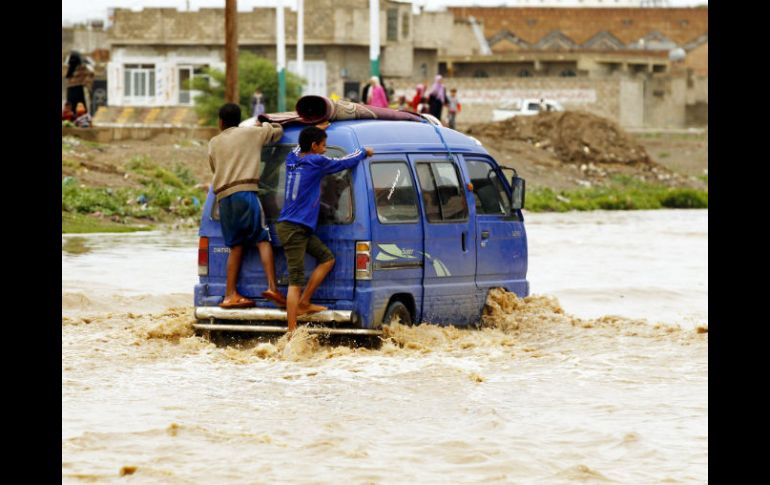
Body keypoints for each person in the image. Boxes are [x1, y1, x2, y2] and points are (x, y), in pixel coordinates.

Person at [276, 125, 374, 333]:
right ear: (314, 146)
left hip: (295, 227)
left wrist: (314, 128)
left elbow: (296, 147)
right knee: (295, 280)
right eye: (323, 145)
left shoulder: (292, 159)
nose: (325, 149)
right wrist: (364, 152)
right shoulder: (316, 161)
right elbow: (344, 162)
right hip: (294, 228)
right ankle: (291, 332)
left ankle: (305, 302)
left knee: (327, 258)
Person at [208, 103, 286, 309]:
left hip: (223, 198)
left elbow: (214, 167)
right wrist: (265, 123)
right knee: (262, 239)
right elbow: (277, 131)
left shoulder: (214, 143)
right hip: (245, 192)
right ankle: (272, 287)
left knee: (236, 246)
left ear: (221, 122)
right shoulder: (251, 134)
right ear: (239, 119)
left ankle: (229, 294)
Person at [65, 51, 94, 115]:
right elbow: (90, 74)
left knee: (76, 107)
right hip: (77, 89)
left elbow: (90, 75)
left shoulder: (71, 68)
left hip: (74, 89)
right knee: (78, 107)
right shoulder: (81, 67)